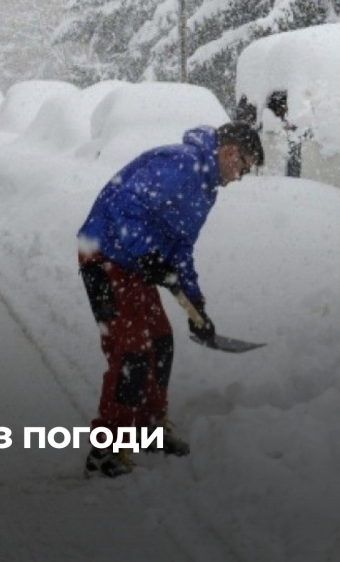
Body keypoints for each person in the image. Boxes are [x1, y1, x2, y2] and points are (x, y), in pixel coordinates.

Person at [77, 122, 264, 478]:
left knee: (159, 341)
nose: (241, 176)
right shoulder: (180, 164)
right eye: (244, 165)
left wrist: (196, 305)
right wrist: (147, 253)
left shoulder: (206, 189)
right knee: (130, 350)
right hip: (103, 256)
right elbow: (124, 206)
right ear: (229, 152)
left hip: (132, 264)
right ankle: (105, 451)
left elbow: (181, 248)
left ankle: (148, 427)